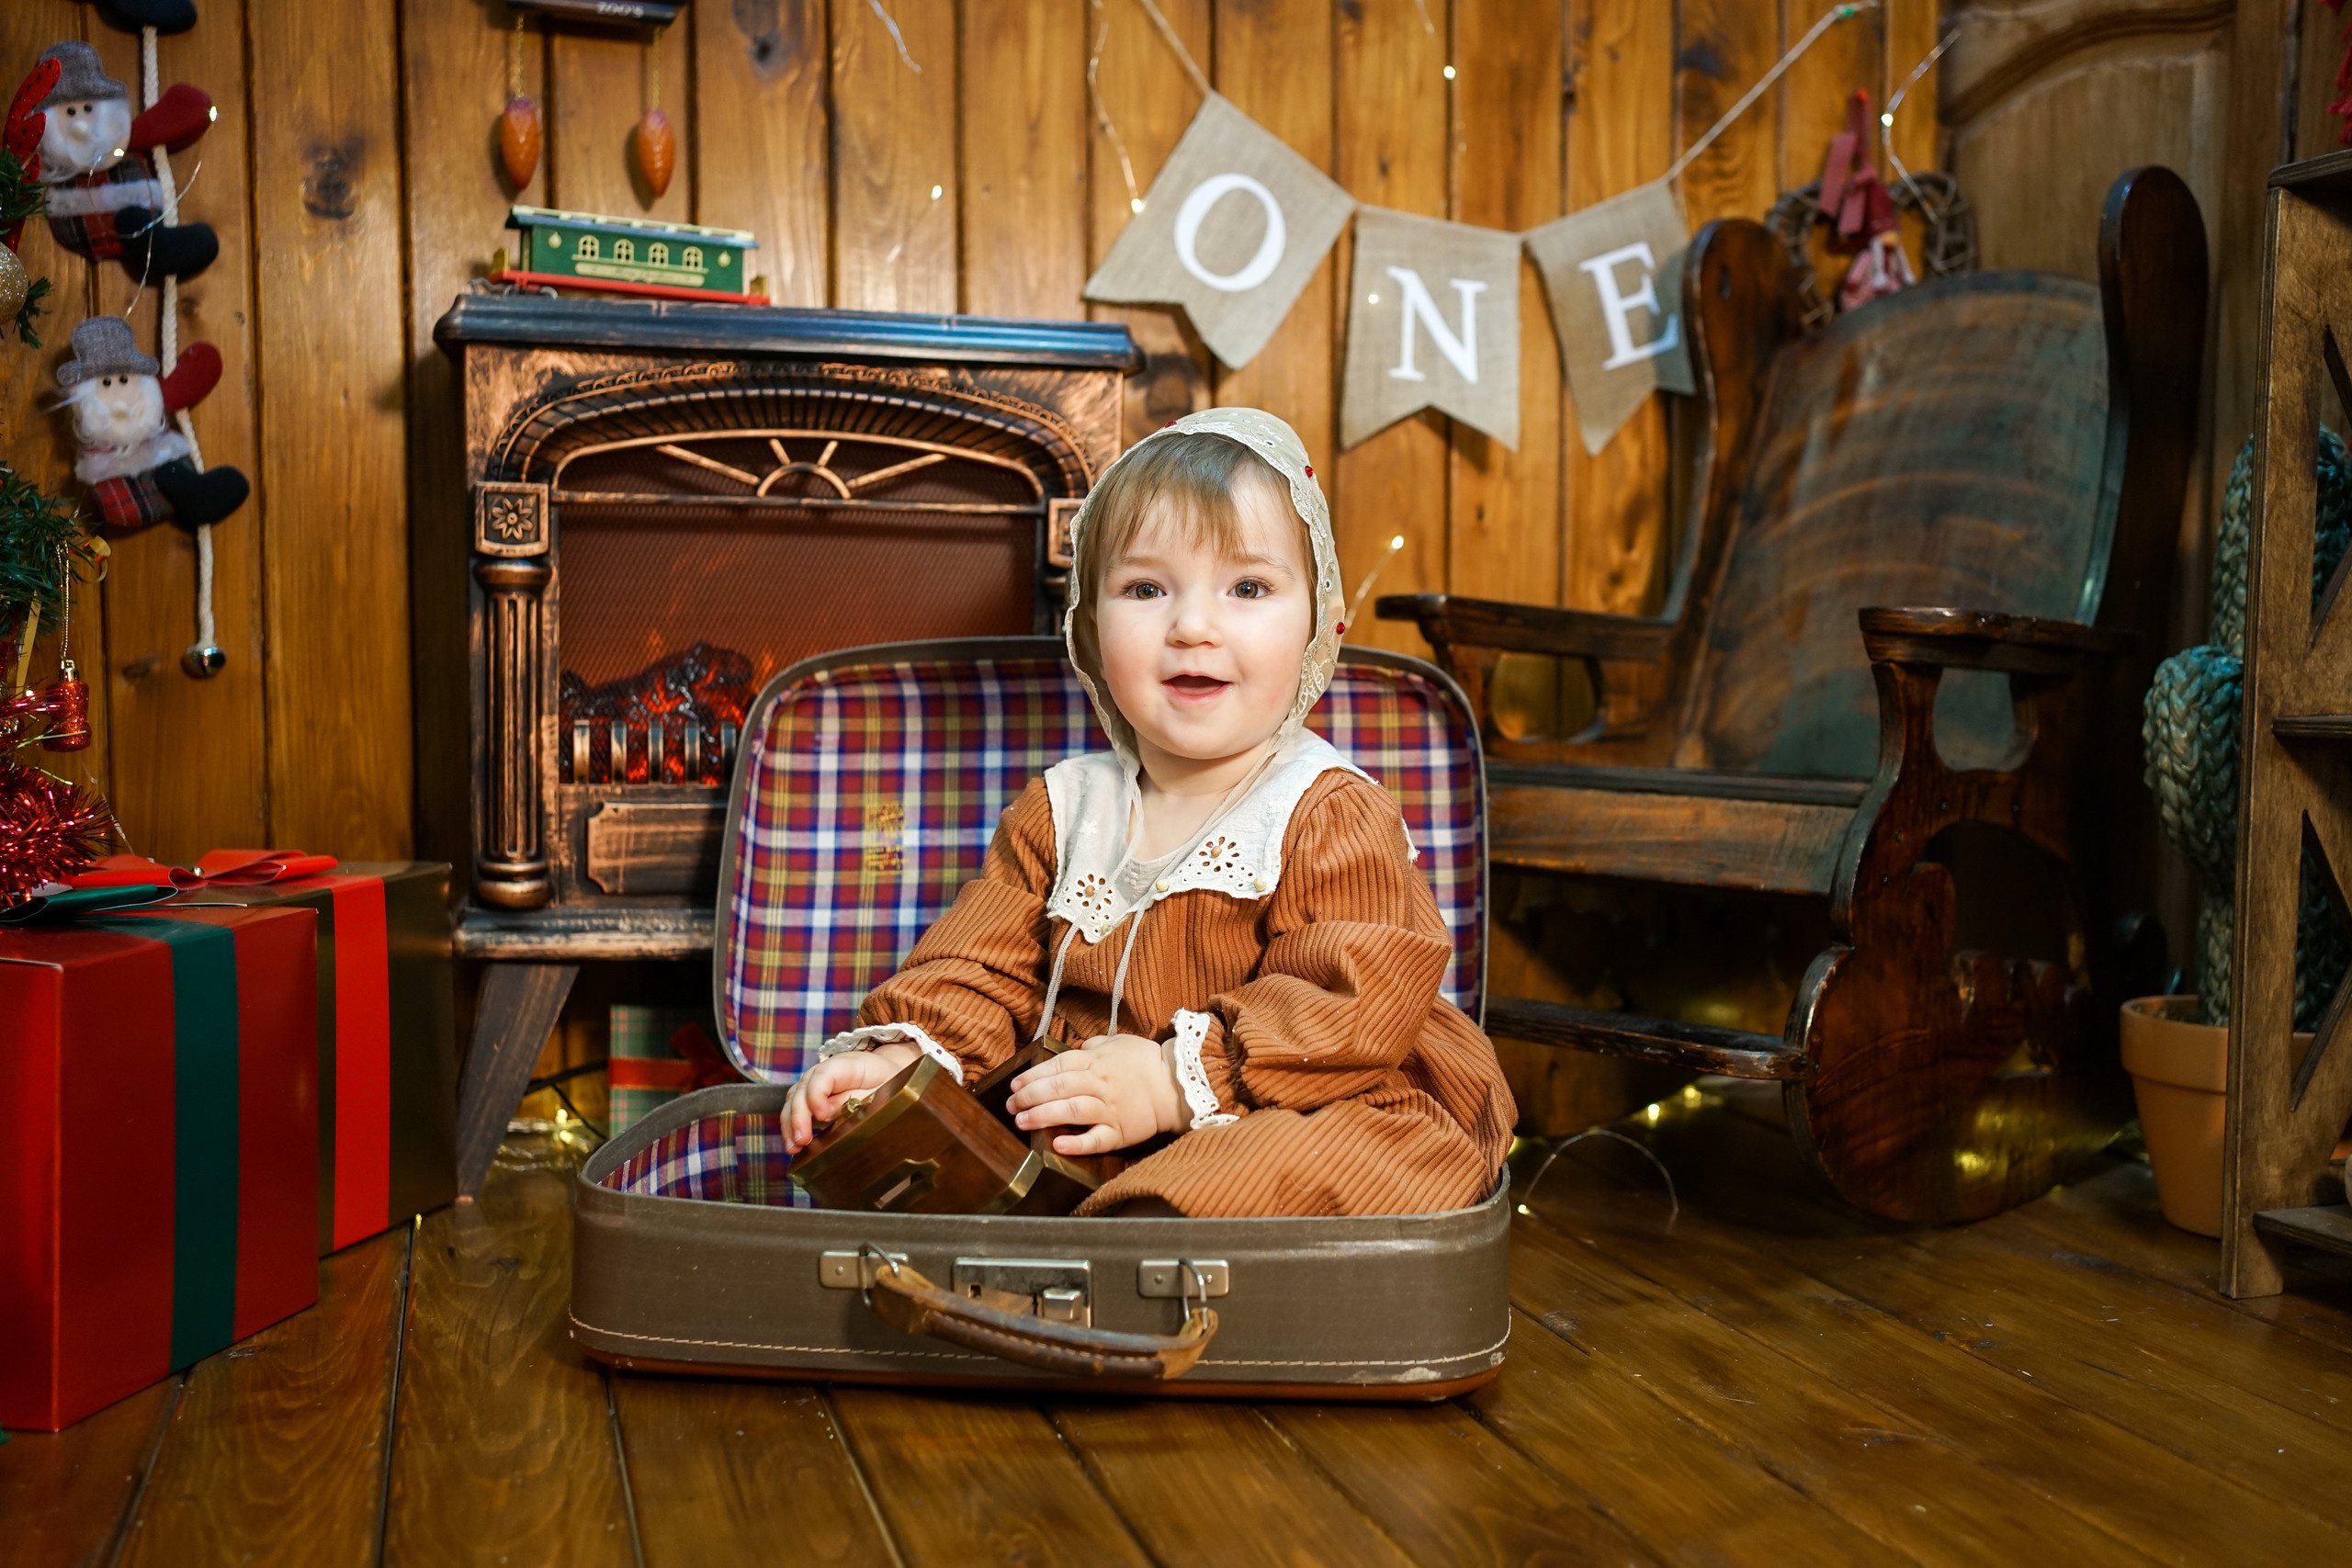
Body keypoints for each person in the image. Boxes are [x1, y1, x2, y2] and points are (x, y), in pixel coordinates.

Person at [778, 408, 1514, 1216]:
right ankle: (1076, 1224)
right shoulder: (1062, 809)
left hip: (1303, 1096)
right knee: (974, 1131)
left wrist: (1175, 1078)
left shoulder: (1327, 810)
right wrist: (905, 1058)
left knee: (1338, 1153)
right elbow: (979, 967)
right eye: (1145, 588)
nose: (1192, 626)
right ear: (1091, 627)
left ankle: (1140, 1232)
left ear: (1315, 622)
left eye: (1248, 588)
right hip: (1098, 1123)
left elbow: (1354, 999)